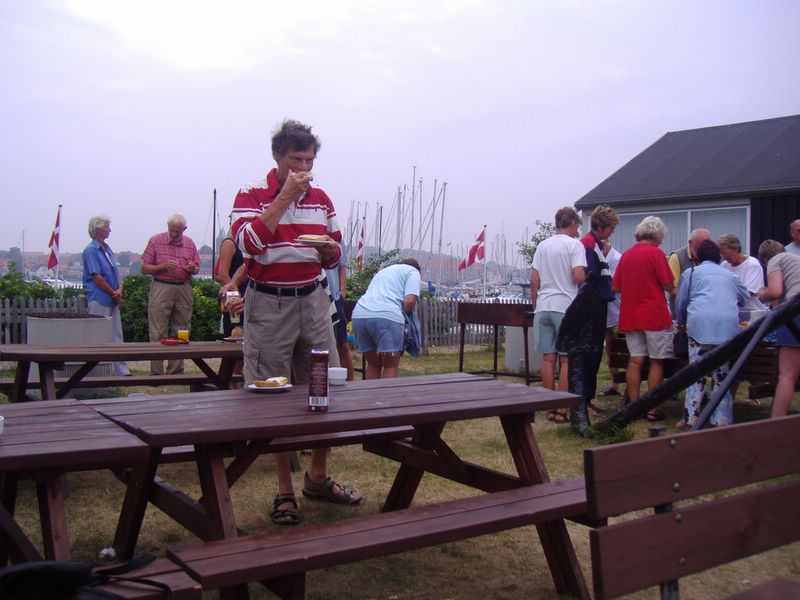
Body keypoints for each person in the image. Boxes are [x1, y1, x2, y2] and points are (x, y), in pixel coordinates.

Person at [229, 119, 360, 526]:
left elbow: (335, 252)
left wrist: (329, 253)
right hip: (269, 303)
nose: (303, 169)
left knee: (323, 388)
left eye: (308, 161)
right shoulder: (251, 194)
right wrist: (285, 196)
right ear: (277, 158)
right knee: (271, 394)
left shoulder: (321, 199)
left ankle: (317, 477)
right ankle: (285, 489)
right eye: (295, 160)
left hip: (314, 299)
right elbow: (249, 245)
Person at [556, 205, 618, 434]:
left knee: (593, 356)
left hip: (598, 308)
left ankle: (586, 401)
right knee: (587, 358)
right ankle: (581, 404)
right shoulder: (588, 246)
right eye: (611, 228)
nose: (612, 232)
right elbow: (587, 280)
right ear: (602, 227)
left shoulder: (596, 246)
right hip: (592, 309)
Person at [675, 240, 749, 427]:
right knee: (722, 375)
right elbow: (745, 297)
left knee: (696, 373)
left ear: (698, 257)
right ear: (718, 257)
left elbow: (681, 303)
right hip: (727, 329)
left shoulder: (691, 273)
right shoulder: (730, 276)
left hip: (699, 326)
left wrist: (681, 323)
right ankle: (721, 419)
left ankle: (691, 416)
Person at [612, 216, 675, 421]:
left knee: (635, 360)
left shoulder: (627, 255)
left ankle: (634, 406)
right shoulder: (656, 254)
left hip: (631, 314)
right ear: (657, 234)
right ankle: (651, 408)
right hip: (654, 314)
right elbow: (668, 284)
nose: (662, 241)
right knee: (656, 362)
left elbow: (616, 285)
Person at [530, 207, 586, 423]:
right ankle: (562, 409)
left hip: (543, 306)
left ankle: (550, 406)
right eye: (577, 225)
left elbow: (534, 279)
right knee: (565, 359)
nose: (577, 230)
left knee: (547, 358)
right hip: (564, 306)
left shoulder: (542, 246)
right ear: (572, 223)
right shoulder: (575, 245)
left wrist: (536, 303)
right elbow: (578, 276)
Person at [140, 214, 199, 375]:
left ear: (184, 229)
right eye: (171, 230)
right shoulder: (155, 241)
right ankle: (157, 372)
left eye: (177, 231)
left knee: (182, 330)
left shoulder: (190, 243)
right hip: (161, 286)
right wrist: (163, 267)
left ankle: (176, 370)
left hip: (183, 287)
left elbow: (196, 267)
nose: (173, 234)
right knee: (158, 330)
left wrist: (193, 268)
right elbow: (144, 269)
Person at [352, 259, 421, 379]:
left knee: (373, 364)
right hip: (386, 317)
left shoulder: (384, 271)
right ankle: (388, 392)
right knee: (390, 366)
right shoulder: (413, 271)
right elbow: (410, 301)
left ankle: (370, 392)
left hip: (360, 314)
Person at [81, 215, 130, 376]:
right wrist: (114, 294)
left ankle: (122, 371)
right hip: (99, 298)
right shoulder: (91, 250)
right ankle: (97, 372)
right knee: (99, 335)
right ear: (97, 229)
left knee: (117, 334)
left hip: (112, 298)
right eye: (107, 226)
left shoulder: (107, 249)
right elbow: (97, 278)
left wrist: (119, 288)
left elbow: (115, 272)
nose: (110, 229)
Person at [757, 240, 800, 417]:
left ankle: (776, 423)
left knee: (787, 375)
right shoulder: (796, 260)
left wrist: (762, 294)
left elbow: (775, 291)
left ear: (765, 259)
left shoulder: (776, 260)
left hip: (796, 312)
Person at [326, 242, 355, 380]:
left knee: (341, 343)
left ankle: (350, 383)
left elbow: (342, 266)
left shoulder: (335, 236)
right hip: (314, 297)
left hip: (335, 298)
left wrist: (342, 293)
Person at [718, 233, 767, 311]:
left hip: (752, 311)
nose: (722, 257)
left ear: (736, 249)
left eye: (724, 253)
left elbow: (747, 293)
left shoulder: (752, 264)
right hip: (732, 312)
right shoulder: (724, 266)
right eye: (721, 254)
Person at [668, 228, 710, 314]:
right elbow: (672, 288)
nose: (702, 252)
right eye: (698, 248)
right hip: (681, 313)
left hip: (704, 311)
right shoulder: (676, 257)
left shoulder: (710, 256)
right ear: (690, 243)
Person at [214, 233, 247, 338]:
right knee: (234, 331)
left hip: (245, 294)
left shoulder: (246, 243)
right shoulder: (229, 243)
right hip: (234, 296)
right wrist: (237, 293)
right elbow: (222, 275)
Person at [601, 239, 622, 396]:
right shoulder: (602, 257)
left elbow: (614, 285)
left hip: (617, 311)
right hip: (605, 313)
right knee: (609, 349)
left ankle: (619, 383)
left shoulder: (617, 259)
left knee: (622, 349)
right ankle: (614, 384)